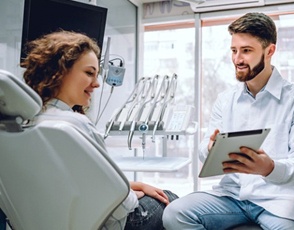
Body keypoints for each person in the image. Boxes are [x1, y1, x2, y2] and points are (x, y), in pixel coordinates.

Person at [163, 12, 294, 230]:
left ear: (270, 51)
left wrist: (270, 168)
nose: (237, 59)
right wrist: (210, 148)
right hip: (232, 196)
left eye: (246, 51)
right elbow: (203, 150)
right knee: (175, 213)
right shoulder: (225, 100)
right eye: (234, 50)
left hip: (278, 200)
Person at [20, 30, 178, 230]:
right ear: (58, 71)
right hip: (109, 222)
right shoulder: (76, 126)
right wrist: (131, 195)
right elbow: (122, 206)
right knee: (171, 200)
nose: (96, 84)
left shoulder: (26, 123)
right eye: (89, 73)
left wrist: (130, 186)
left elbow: (75, 183)